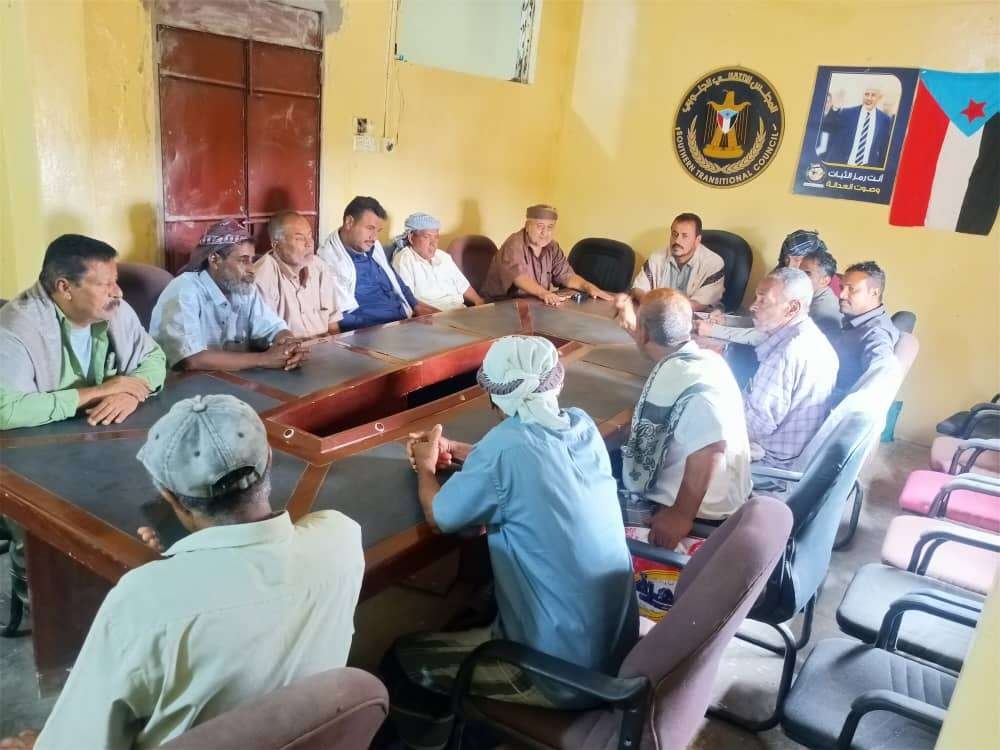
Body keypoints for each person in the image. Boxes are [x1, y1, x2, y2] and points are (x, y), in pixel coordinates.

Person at [1, 394, 364, 750]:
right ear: (269, 457)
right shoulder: (342, 539)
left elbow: (81, 741)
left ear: (170, 496)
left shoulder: (143, 601)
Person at [384, 336, 637, 749]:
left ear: (494, 398)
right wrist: (461, 452)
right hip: (613, 654)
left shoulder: (505, 450)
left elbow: (441, 516)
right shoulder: (581, 426)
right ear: (556, 381)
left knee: (401, 658)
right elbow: (525, 457)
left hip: (556, 674)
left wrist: (427, 468)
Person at [619, 289, 751, 548]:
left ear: (644, 333)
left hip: (701, 515)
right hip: (721, 500)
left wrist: (681, 515)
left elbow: (711, 448)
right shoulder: (709, 360)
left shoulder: (693, 388)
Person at [0, 234, 166, 430]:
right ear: (65, 288)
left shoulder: (114, 309)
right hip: (41, 442)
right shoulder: (15, 327)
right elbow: (6, 411)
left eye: (115, 281)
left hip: (103, 433)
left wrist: (130, 392)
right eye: (105, 284)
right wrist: (100, 392)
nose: (118, 292)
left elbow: (154, 356)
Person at [150, 220, 305, 371]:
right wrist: (264, 359)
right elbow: (191, 359)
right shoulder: (184, 289)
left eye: (252, 260)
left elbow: (274, 328)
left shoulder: (244, 289)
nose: (252, 269)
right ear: (215, 260)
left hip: (229, 380)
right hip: (182, 383)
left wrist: (289, 346)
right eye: (243, 260)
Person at [744, 268, 839, 467]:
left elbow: (755, 425)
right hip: (798, 454)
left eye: (763, 300)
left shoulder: (785, 353)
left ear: (792, 308)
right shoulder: (813, 338)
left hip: (769, 463)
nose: (753, 306)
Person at [317, 196, 437, 330]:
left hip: (405, 320)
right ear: (349, 222)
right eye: (370, 228)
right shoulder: (329, 261)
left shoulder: (372, 248)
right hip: (378, 332)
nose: (374, 237)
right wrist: (384, 330)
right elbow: (341, 317)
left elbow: (396, 280)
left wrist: (415, 305)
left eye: (378, 231)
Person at [696, 240, 842, 345]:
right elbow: (765, 321)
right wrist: (726, 321)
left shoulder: (823, 311)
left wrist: (714, 330)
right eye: (799, 269)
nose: (799, 275)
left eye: (807, 273)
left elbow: (769, 337)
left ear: (825, 280)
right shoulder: (797, 288)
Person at [480, 204, 613, 305]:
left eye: (550, 227)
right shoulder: (514, 244)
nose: (545, 233)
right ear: (527, 226)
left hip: (534, 305)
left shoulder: (552, 247)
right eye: (540, 226)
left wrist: (587, 286)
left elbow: (567, 275)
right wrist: (544, 293)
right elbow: (519, 277)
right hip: (500, 306)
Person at [253, 211, 341, 338]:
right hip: (288, 349)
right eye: (299, 238)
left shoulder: (320, 268)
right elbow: (266, 338)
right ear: (276, 245)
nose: (309, 244)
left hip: (325, 346)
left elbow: (333, 326)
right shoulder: (262, 278)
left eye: (310, 236)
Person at [629, 212, 724, 311]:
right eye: (675, 234)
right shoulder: (657, 257)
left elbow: (700, 304)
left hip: (695, 317)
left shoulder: (713, 263)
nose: (677, 241)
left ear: (697, 240)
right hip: (657, 314)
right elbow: (638, 289)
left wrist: (660, 307)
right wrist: (646, 301)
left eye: (684, 236)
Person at [390, 212, 485, 310]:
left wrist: (479, 302)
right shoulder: (404, 259)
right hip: (432, 315)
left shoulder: (443, 256)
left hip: (460, 311)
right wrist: (438, 314)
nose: (433, 243)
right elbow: (408, 300)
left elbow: (462, 284)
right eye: (427, 237)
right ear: (411, 238)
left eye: (436, 237)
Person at [835, 261, 899, 394]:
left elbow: (882, 373)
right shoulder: (857, 320)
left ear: (874, 293)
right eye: (842, 288)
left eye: (851, 289)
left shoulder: (875, 333)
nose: (841, 295)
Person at [821, 84, 893, 167]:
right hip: (842, 164)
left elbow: (884, 147)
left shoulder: (885, 119)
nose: (869, 98)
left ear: (879, 98)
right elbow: (826, 128)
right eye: (866, 94)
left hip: (867, 168)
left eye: (873, 95)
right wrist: (835, 108)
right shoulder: (847, 113)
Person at [799, 249, 843, 340]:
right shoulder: (809, 295)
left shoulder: (821, 312)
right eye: (799, 272)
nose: (799, 277)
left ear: (825, 281)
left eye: (807, 273)